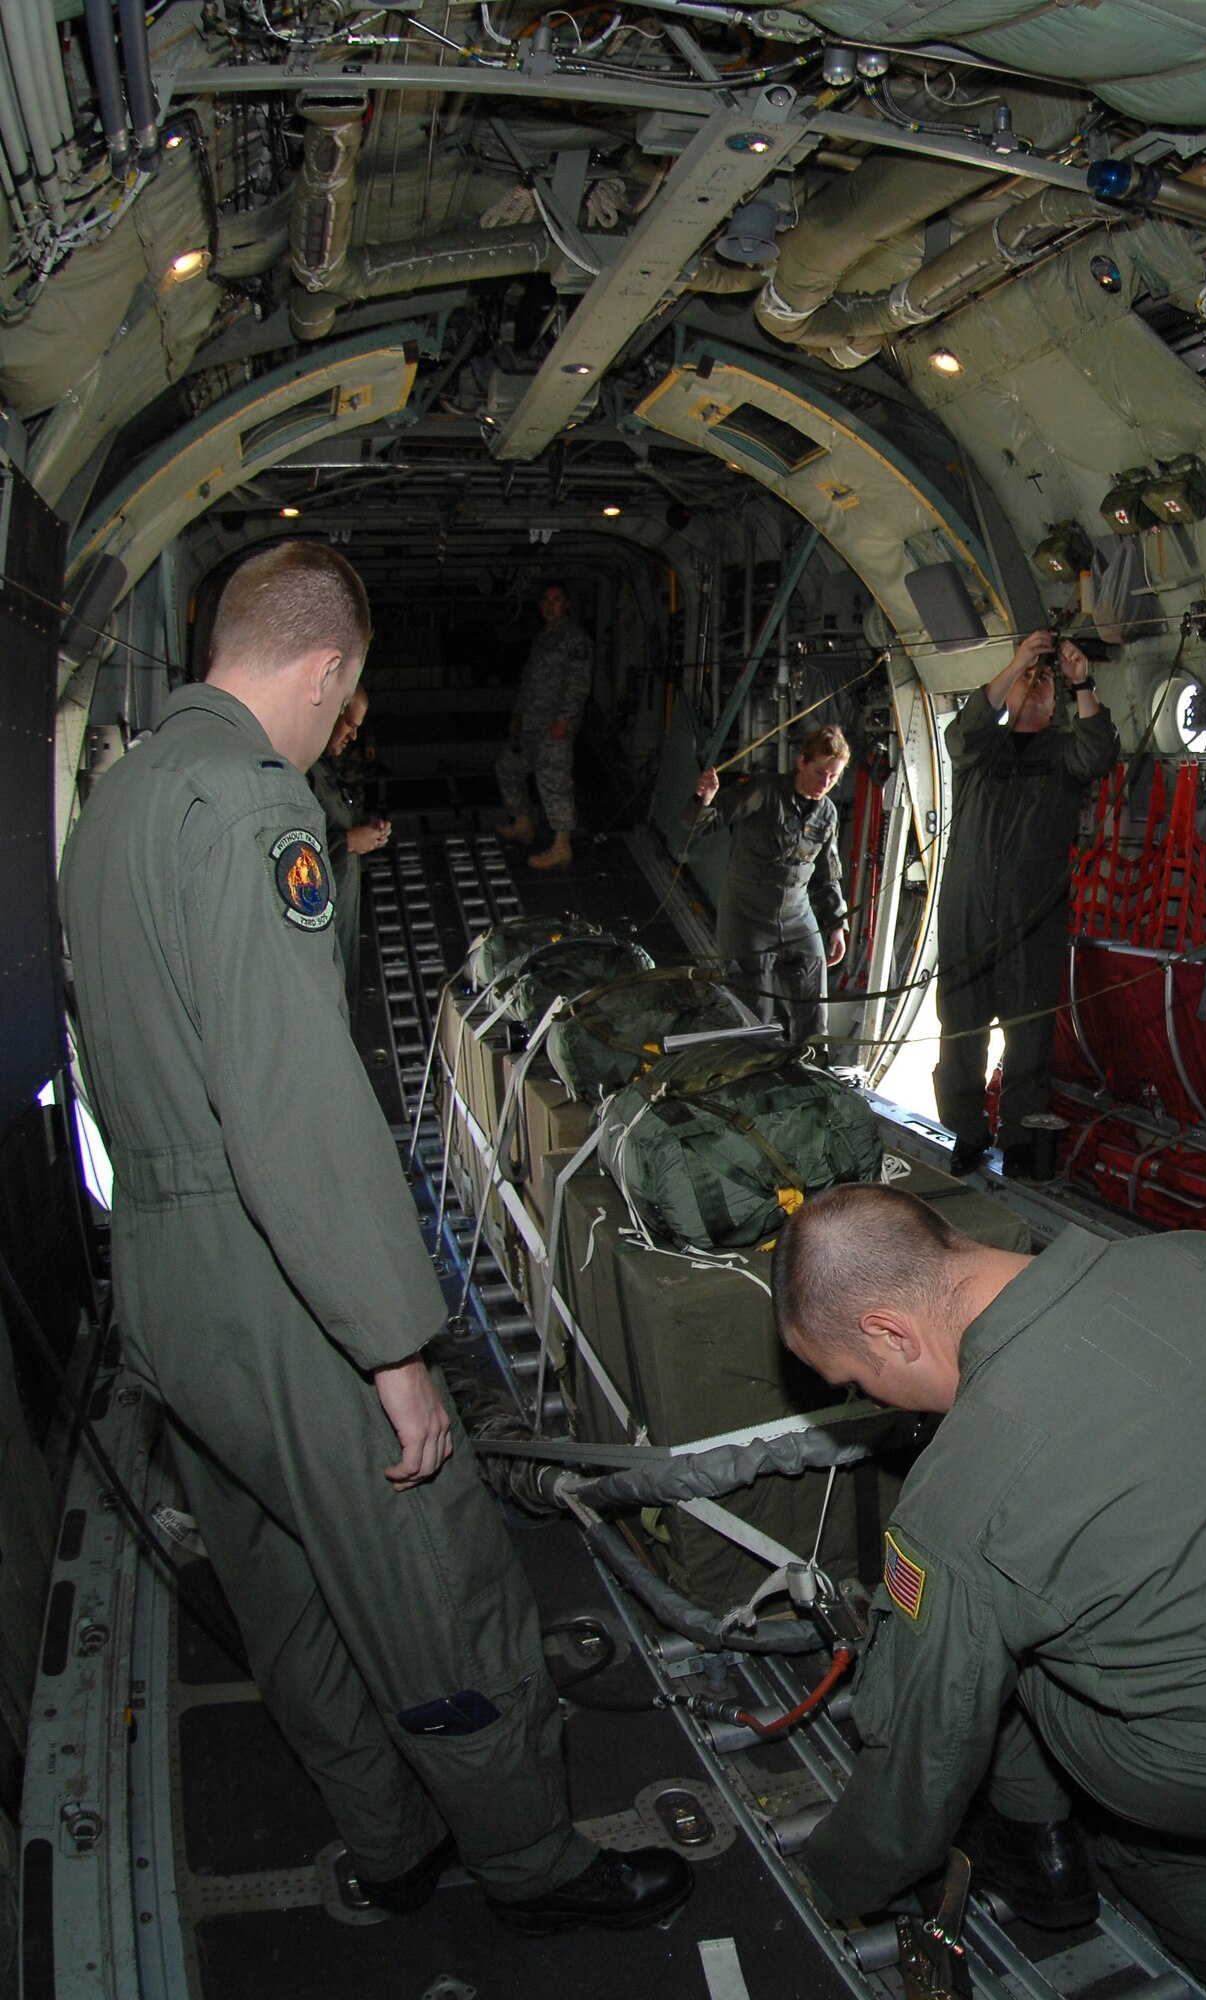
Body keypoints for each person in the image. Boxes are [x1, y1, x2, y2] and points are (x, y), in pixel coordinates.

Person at [60, 542, 690, 1936]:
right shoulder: (250, 806)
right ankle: (529, 1863)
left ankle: (388, 1839)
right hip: (275, 1276)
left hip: (162, 1274)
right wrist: (394, 1345)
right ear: (327, 666)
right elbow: (289, 1104)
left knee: (283, 1583)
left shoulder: (117, 798)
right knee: (433, 1578)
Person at [771, 1184, 1206, 2000]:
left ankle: (1055, 1856)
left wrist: (832, 1882)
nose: (872, 1404)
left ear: (888, 1332)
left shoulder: (960, 1494)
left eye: (857, 1383)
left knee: (997, 1664)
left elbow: (923, 1753)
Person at [935, 630, 1118, 1178]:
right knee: (960, 1033)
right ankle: (967, 1132)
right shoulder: (978, 752)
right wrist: (1020, 661)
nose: (1036, 687)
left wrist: (1081, 680)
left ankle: (1019, 1140)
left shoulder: (1062, 754)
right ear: (1011, 688)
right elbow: (962, 732)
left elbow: (1099, 751)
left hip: (1031, 924)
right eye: (1027, 681)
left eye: (1046, 683)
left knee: (1029, 1041)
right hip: (967, 919)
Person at [691, 724, 850, 1047]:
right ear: (801, 761)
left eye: (833, 777)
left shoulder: (827, 814)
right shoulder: (762, 792)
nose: (825, 783)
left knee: (814, 1011)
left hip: (797, 916)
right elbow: (704, 825)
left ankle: (811, 1074)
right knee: (753, 1015)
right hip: (747, 915)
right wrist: (703, 799)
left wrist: (836, 925)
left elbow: (826, 873)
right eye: (820, 772)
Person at [495, 581, 594, 872]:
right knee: (507, 764)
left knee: (554, 782)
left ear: (567, 605)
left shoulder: (575, 639)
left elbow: (578, 685)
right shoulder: (543, 637)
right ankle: (523, 822)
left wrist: (564, 719)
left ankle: (562, 846)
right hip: (531, 725)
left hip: (555, 726)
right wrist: (517, 715)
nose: (551, 605)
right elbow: (529, 681)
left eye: (557, 599)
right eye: (546, 600)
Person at [309, 686, 391, 1014]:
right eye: (350, 724)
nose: (354, 736)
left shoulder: (323, 766)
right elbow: (286, 857)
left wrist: (364, 831)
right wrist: (348, 843)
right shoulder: (302, 771)